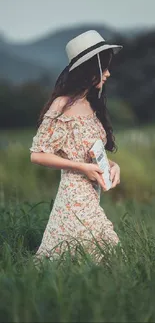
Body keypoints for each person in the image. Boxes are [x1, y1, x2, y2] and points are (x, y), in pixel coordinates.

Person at [29, 30, 123, 262]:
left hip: (92, 194)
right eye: (104, 68)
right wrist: (82, 168)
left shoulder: (92, 104)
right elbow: (37, 155)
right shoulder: (62, 105)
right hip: (73, 195)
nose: (109, 73)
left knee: (79, 258)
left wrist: (113, 165)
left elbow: (91, 152)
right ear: (89, 70)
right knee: (105, 253)